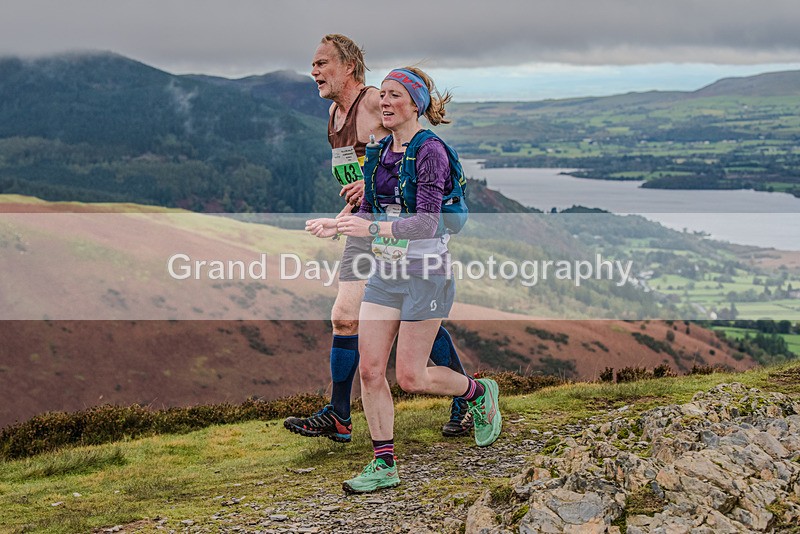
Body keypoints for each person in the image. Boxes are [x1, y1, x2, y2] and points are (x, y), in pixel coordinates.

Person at [306, 66, 502, 493]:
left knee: (411, 377)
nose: (387, 102)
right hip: (385, 274)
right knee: (372, 371)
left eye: (396, 96)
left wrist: (371, 230)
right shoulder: (378, 152)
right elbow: (370, 209)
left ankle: (478, 392)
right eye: (384, 97)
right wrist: (337, 224)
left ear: (416, 103)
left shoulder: (429, 150)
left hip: (426, 276)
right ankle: (384, 464)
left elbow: (428, 223)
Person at [283, 35, 473, 444]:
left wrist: (375, 199)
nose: (313, 72)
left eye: (321, 64)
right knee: (348, 316)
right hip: (365, 227)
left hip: (397, 232)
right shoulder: (334, 115)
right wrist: (344, 216)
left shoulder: (372, 102)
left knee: (410, 316)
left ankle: (465, 397)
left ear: (348, 66)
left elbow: (405, 150)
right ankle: (339, 414)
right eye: (312, 65)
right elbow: (363, 176)